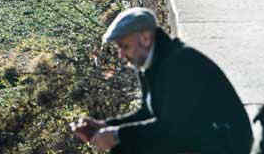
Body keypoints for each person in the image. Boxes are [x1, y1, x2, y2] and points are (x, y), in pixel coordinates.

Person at [71, 8, 253, 154]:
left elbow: (172, 128)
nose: (121, 55)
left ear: (145, 38)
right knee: (126, 146)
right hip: (196, 137)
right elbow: (147, 113)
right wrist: (106, 126)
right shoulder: (149, 64)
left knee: (127, 144)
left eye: (124, 46)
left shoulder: (180, 63)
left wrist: (117, 135)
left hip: (224, 143)